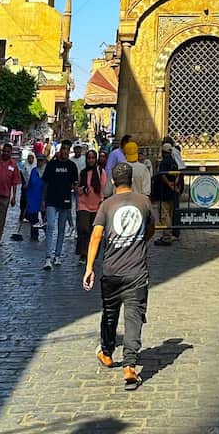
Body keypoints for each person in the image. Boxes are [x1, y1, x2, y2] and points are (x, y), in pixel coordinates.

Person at [83, 161, 155, 392]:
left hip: (111, 270)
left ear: (113, 181)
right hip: (136, 271)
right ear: (131, 180)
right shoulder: (144, 202)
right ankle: (130, 366)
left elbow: (96, 236)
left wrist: (89, 267)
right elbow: (151, 228)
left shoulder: (106, 205)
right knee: (134, 317)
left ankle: (106, 352)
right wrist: (139, 241)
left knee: (110, 314)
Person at [42, 139, 79, 269]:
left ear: (69, 151)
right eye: (63, 149)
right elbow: (45, 183)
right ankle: (48, 257)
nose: (65, 152)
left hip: (65, 200)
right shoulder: (52, 165)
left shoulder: (72, 166)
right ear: (60, 150)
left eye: (67, 149)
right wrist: (43, 200)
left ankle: (57, 255)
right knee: (50, 226)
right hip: (51, 200)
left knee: (61, 229)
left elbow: (75, 184)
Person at [75, 149, 105, 262]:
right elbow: (77, 188)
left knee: (95, 231)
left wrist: (102, 202)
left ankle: (92, 253)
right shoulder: (82, 173)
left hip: (96, 206)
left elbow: (103, 189)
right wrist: (82, 189)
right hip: (83, 205)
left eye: (93, 158)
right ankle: (83, 253)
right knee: (83, 228)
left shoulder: (101, 172)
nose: (91, 160)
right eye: (89, 158)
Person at [151, 139, 182, 246]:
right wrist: (174, 184)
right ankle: (172, 233)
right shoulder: (174, 161)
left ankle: (167, 237)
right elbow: (178, 174)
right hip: (173, 192)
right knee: (171, 214)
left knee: (165, 215)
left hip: (164, 192)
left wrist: (169, 184)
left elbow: (163, 175)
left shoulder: (164, 162)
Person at [24, 152, 45, 240]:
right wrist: (27, 195)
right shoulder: (34, 171)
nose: (40, 162)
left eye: (41, 160)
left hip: (44, 197)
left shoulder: (47, 172)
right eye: (38, 160)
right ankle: (34, 235)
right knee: (33, 218)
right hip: (33, 196)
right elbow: (30, 183)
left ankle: (47, 233)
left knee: (45, 217)